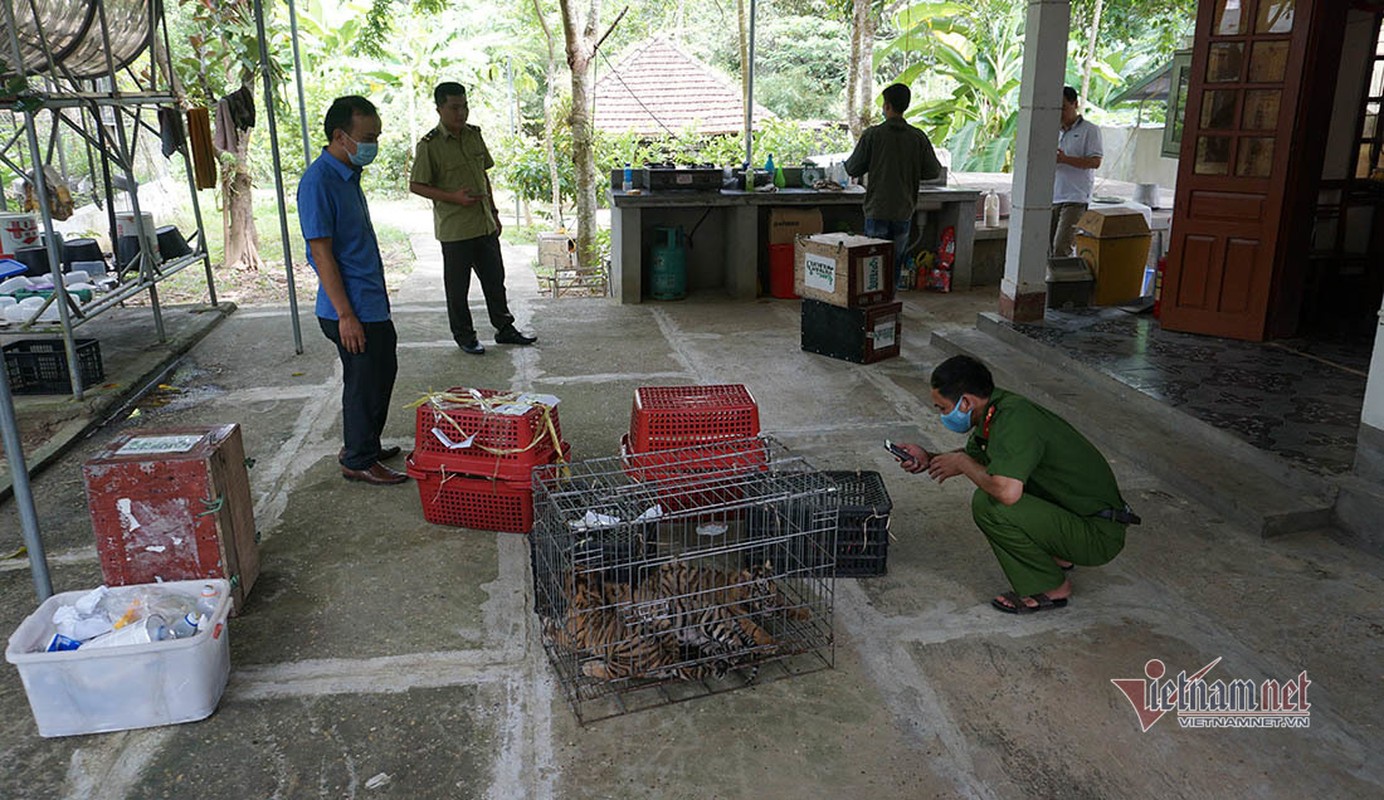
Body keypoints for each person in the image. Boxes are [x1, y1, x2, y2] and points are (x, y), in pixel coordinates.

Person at [892, 355, 1137, 614]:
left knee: (990, 504)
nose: (941, 415)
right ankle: (1058, 554)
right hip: (1080, 517)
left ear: (965, 402)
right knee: (999, 480)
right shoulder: (996, 412)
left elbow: (1006, 492)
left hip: (1098, 536)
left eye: (942, 408)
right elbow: (976, 458)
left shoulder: (1014, 419)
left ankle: (1052, 587)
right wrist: (928, 458)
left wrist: (962, 463)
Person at [297, 95, 406, 486]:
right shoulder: (319, 181)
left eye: (376, 136)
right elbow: (321, 253)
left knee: (379, 373)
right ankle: (358, 459)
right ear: (340, 136)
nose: (372, 144)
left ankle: (364, 444)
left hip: (368, 302)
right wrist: (346, 315)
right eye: (367, 136)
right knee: (365, 382)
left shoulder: (346, 174)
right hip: (350, 309)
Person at [409, 82, 536, 355]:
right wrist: (453, 197)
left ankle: (505, 328)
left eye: (464, 106)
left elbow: (484, 175)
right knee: (458, 289)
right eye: (454, 107)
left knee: (495, 280)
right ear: (439, 109)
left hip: (484, 223)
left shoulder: (474, 135)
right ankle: (465, 336)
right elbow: (416, 185)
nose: (461, 113)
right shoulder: (430, 145)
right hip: (455, 229)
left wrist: (494, 211)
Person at [844, 82, 942, 290]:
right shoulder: (917, 137)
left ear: (887, 106)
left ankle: (873, 301)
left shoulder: (873, 135)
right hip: (903, 210)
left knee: (873, 262)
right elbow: (933, 171)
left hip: (877, 208)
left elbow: (853, 168)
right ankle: (890, 301)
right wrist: (911, 170)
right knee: (895, 262)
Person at [1051, 86, 1103, 257]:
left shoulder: (1090, 130)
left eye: (1063, 108)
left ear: (1075, 104)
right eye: (1056, 109)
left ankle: (1060, 283)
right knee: (1046, 248)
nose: (1059, 113)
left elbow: (1095, 162)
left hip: (1075, 198)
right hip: (1052, 196)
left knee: (1061, 247)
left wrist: (1065, 159)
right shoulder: (1052, 131)